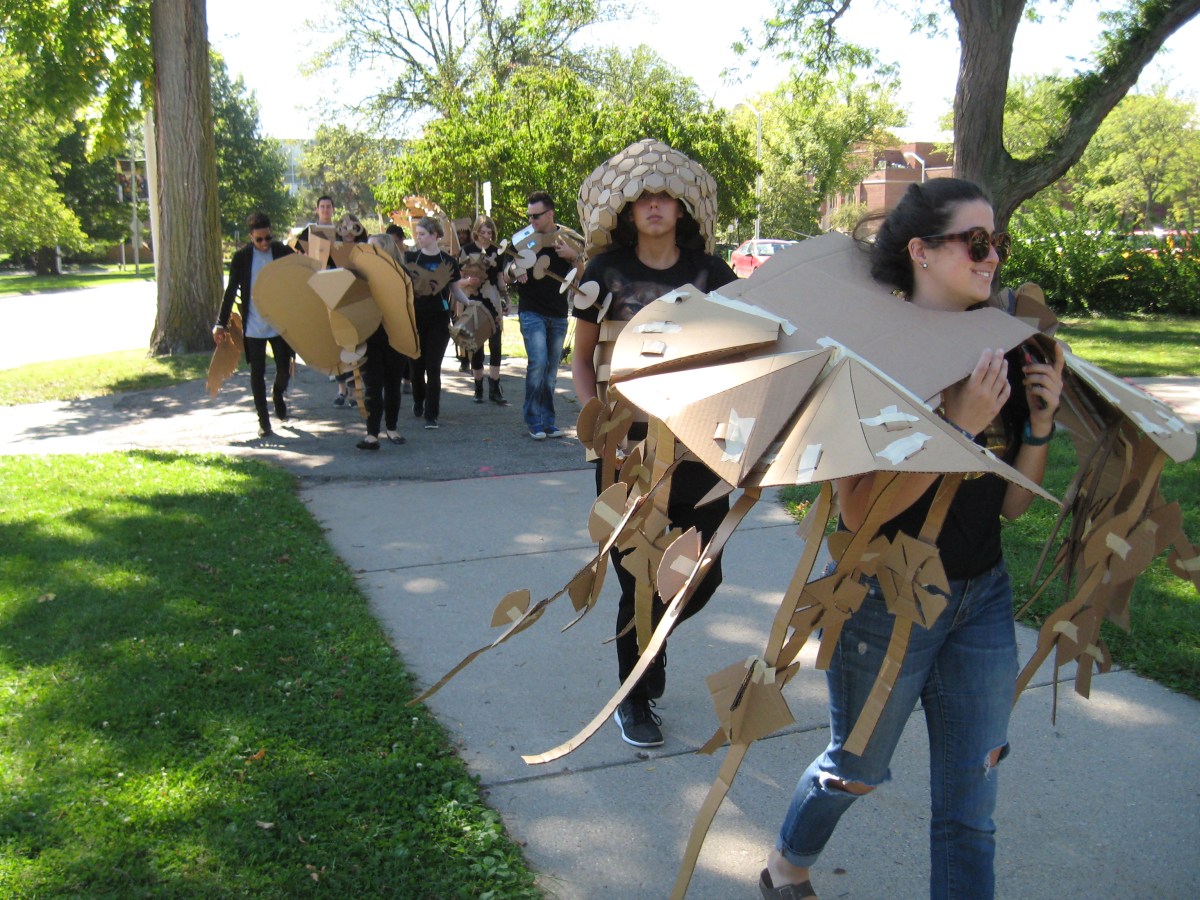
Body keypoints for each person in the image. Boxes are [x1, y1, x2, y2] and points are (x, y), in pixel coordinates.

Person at [759, 178, 1064, 900]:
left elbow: (1014, 506)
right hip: (883, 597)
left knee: (972, 799)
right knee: (857, 767)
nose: (993, 260)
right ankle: (785, 866)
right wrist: (951, 429)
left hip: (981, 598)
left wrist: (1040, 425)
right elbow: (857, 511)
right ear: (923, 252)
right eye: (977, 243)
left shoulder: (1009, 355)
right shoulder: (871, 357)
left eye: (1000, 244)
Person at [572, 143, 738, 749]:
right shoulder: (603, 273)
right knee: (635, 572)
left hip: (698, 444)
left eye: (664, 195)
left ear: (683, 206)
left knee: (703, 571)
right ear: (626, 208)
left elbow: (738, 356)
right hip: (627, 449)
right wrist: (596, 429)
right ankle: (632, 695)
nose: (654, 204)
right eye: (643, 196)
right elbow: (584, 358)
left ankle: (653, 641)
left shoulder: (712, 276)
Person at [213, 211, 295, 438]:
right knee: (256, 372)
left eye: (268, 237)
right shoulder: (242, 258)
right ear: (251, 237)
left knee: (283, 368)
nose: (264, 243)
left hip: (280, 324)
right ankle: (264, 421)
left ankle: (278, 393)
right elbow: (230, 292)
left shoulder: (281, 252)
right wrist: (220, 323)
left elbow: (300, 274)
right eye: (259, 239)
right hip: (254, 326)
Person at [513, 191, 580, 440]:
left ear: (550, 213)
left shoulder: (567, 239)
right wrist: (514, 270)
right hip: (531, 311)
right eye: (529, 216)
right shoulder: (522, 240)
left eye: (536, 216)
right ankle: (534, 420)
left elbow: (582, 276)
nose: (532, 221)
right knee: (538, 363)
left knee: (551, 370)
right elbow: (505, 274)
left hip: (558, 313)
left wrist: (573, 258)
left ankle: (548, 421)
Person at [404, 217, 468, 430]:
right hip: (415, 318)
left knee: (433, 367)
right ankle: (418, 399)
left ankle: (432, 414)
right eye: (418, 233)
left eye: (422, 233)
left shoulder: (448, 261)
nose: (418, 237)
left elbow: (455, 289)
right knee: (416, 367)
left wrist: (469, 303)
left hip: (439, 319)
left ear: (434, 235)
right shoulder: (411, 257)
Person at [301, 195, 358, 408]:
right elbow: (299, 255)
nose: (325, 210)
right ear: (317, 210)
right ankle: (341, 390)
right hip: (322, 288)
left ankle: (352, 391)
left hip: (343, 289)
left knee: (349, 340)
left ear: (333, 209)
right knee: (334, 342)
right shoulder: (309, 232)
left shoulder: (343, 230)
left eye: (328, 206)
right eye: (322, 207)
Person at [355, 233, 410, 451]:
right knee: (372, 385)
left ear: (385, 249)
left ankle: (392, 427)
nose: (368, 251)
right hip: (369, 335)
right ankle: (371, 434)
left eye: (373, 247)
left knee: (393, 383)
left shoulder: (401, 273)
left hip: (395, 335)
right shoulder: (361, 274)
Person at [460, 215, 510, 406]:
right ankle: (478, 386)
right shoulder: (467, 250)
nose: (486, 236)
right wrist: (467, 282)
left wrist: (506, 298)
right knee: (477, 345)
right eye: (483, 232)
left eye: (489, 233)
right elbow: (459, 278)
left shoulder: (498, 251)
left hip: (492, 298)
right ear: (476, 232)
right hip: (473, 298)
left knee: (496, 344)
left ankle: (495, 387)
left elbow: (499, 278)